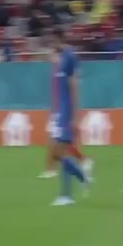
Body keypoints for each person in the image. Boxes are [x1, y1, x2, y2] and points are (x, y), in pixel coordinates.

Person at [49, 28, 92, 206]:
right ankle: (81, 179)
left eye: (52, 41)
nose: (51, 44)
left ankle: (68, 194)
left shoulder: (70, 57)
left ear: (59, 39)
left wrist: (75, 116)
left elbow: (74, 86)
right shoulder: (62, 59)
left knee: (60, 152)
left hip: (67, 113)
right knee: (58, 153)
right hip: (62, 112)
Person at [40, 48, 93, 179]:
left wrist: (72, 114)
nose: (51, 59)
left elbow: (71, 91)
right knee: (59, 142)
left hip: (62, 111)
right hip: (57, 111)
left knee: (58, 142)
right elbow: (56, 94)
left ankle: (52, 170)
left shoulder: (63, 72)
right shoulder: (55, 71)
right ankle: (82, 161)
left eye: (53, 55)